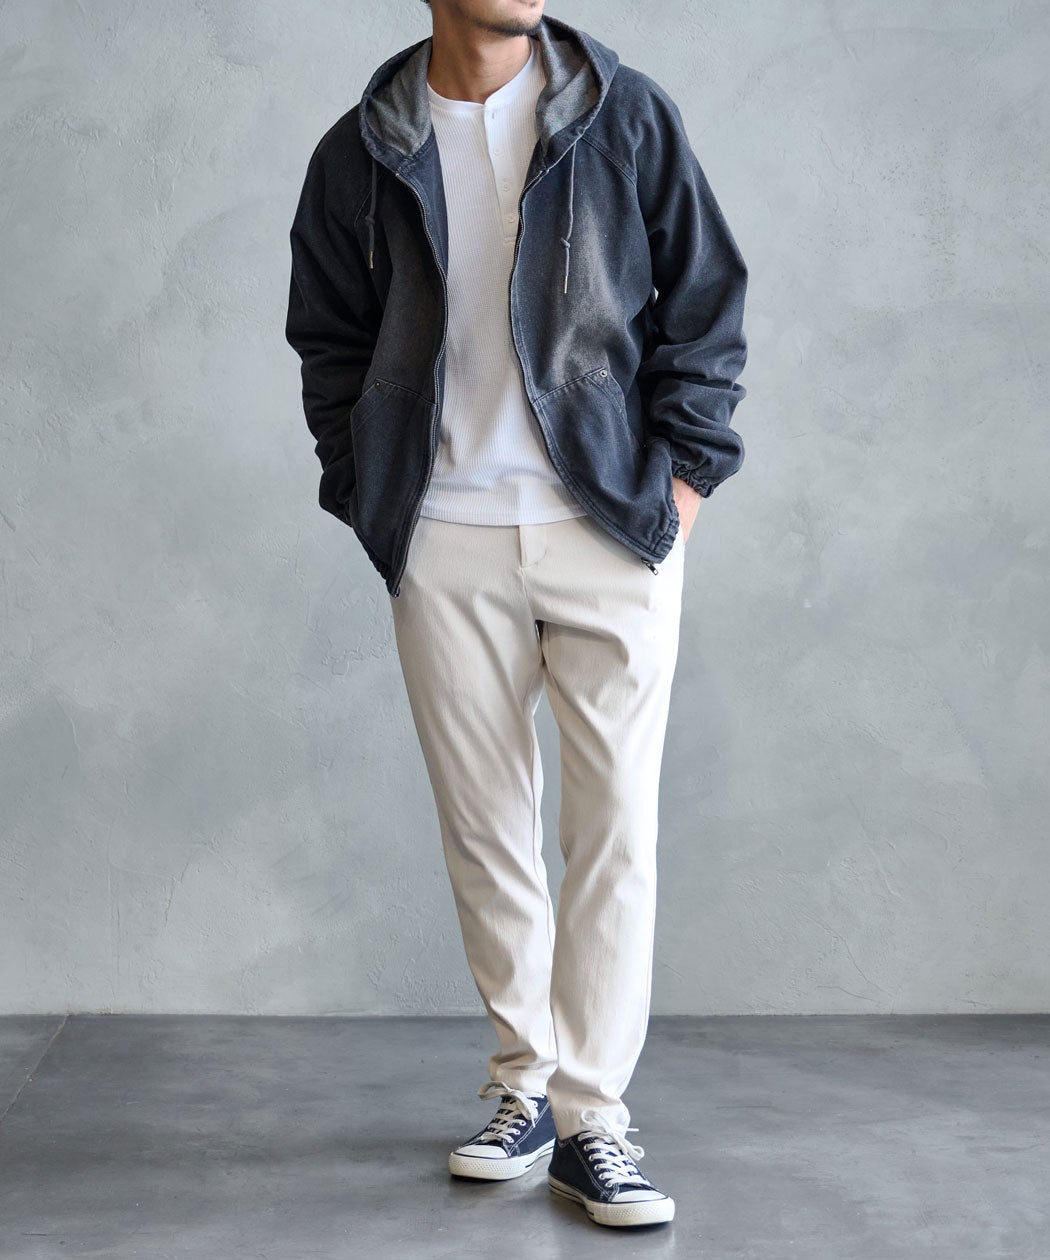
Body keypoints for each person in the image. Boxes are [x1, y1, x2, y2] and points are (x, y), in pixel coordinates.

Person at [285, 0, 748, 1230]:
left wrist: (683, 491)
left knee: (614, 830)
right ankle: (524, 1088)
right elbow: (327, 340)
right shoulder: (363, 149)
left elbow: (706, 304)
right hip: (446, 533)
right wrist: (374, 496)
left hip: (612, 524)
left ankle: (596, 1121)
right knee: (487, 831)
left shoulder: (623, 115)